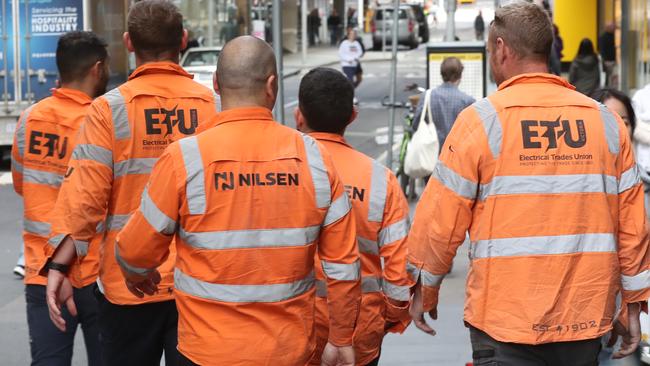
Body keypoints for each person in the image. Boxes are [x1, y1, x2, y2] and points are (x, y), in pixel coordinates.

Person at [408, 3, 650, 366]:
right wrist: (634, 305)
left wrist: (425, 288)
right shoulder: (606, 124)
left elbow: (441, 218)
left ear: (502, 49)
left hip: (503, 323)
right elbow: (633, 227)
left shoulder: (481, 122)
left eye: (491, 51)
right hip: (582, 322)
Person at [114, 36, 361, 366]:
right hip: (286, 352)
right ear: (272, 86)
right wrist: (341, 337)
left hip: (206, 352)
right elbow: (344, 266)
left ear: (216, 85)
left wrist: (137, 273)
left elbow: (134, 250)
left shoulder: (184, 158)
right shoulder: (315, 158)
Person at [44, 1, 220, 365]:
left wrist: (60, 267)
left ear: (128, 43)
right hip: (202, 282)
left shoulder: (108, 110)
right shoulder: (215, 106)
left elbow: (84, 200)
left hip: (128, 282)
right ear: (183, 40)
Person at [296, 67, 412, 366]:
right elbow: (399, 274)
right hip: (359, 333)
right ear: (352, 116)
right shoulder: (380, 180)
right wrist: (390, 317)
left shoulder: (283, 175)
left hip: (294, 329)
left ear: (299, 116)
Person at [11, 30, 109, 366]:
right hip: (97, 272)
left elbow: (23, 185)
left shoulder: (28, 120)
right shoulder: (104, 123)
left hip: (42, 269)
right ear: (97, 69)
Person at [412, 57, 475, 152]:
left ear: (442, 74)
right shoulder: (468, 101)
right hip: (456, 156)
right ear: (460, 75)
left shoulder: (427, 96)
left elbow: (416, 124)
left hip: (431, 155)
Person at [599, 22, 617, 87]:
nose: (614, 29)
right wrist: (605, 60)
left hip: (612, 59)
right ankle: (607, 87)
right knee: (607, 75)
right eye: (612, 27)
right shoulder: (603, 37)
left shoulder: (613, 36)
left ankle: (611, 87)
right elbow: (602, 50)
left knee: (612, 75)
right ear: (607, 28)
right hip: (607, 60)